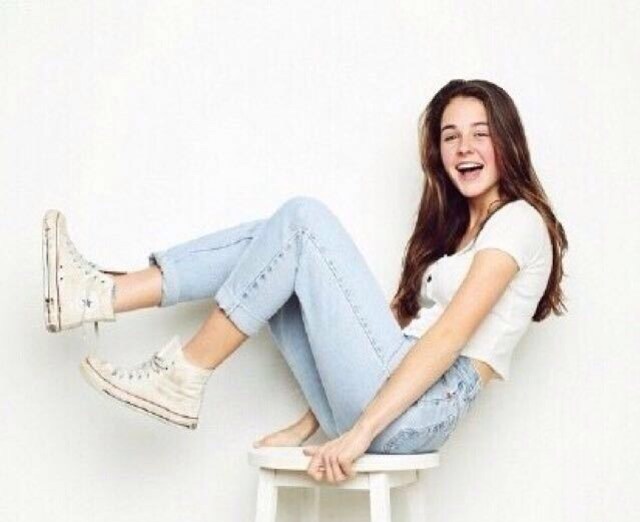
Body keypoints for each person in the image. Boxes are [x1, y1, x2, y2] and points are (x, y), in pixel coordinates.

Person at [42, 79, 568, 485]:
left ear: (508, 141)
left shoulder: (518, 221)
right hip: (392, 399)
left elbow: (448, 337)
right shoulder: (458, 233)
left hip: (418, 410)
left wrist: (360, 433)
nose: (464, 147)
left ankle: (180, 369)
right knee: (272, 243)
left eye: (481, 133)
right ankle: (99, 295)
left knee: (301, 222)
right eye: (450, 136)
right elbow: (379, 339)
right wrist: (309, 424)